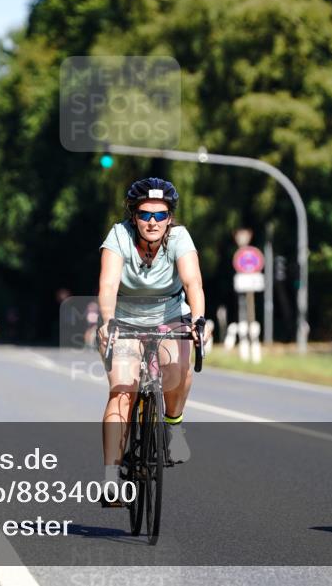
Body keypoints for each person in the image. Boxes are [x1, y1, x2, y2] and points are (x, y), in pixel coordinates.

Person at [96, 177, 212, 507]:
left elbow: (193, 282)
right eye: (145, 214)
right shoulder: (119, 236)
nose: (152, 222)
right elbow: (108, 285)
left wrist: (198, 320)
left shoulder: (180, 238)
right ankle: (110, 479)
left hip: (170, 316)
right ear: (133, 216)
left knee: (179, 367)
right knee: (122, 391)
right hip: (124, 319)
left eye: (160, 215)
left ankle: (173, 427)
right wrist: (107, 321)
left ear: (169, 218)